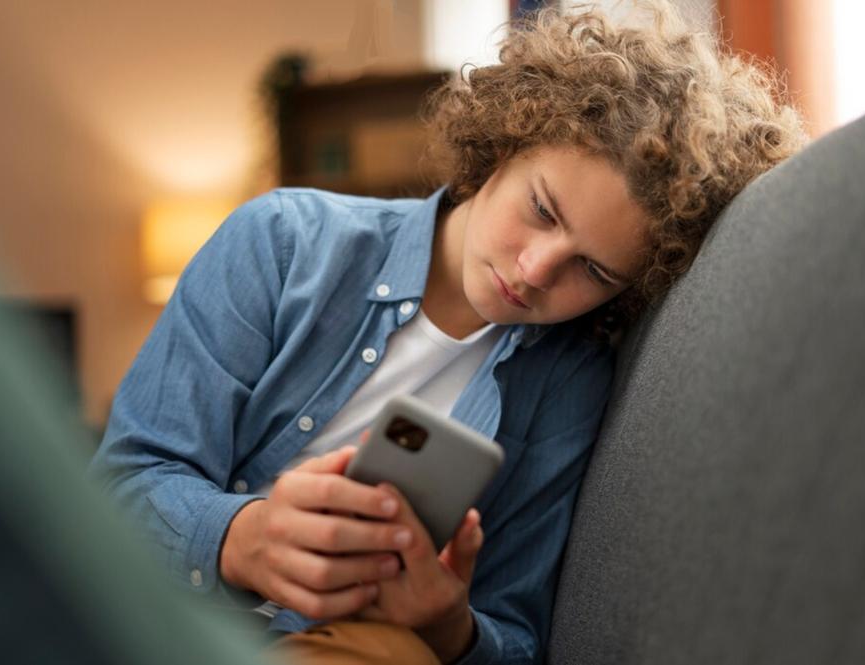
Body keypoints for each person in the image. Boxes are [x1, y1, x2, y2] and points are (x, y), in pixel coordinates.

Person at [88, 3, 806, 663]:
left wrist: (445, 625)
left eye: (590, 267)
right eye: (542, 209)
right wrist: (243, 540)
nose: (534, 271)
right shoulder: (280, 244)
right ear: (502, 145)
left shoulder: (564, 381)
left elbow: (514, 635)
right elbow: (121, 484)